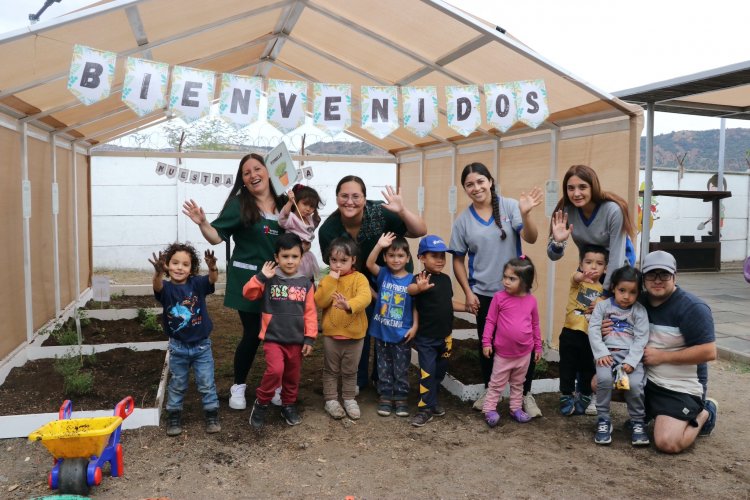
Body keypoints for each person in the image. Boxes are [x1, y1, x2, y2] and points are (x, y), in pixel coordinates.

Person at [182, 153, 286, 411]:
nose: (253, 175)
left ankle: (278, 386)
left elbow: (301, 234)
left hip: (280, 280)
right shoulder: (240, 204)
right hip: (248, 279)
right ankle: (238, 386)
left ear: (268, 171)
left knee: (281, 334)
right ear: (243, 179)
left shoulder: (286, 203)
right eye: (246, 172)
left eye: (257, 169)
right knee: (252, 334)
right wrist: (203, 222)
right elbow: (216, 238)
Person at [449, 162, 543, 416]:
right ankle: (491, 391)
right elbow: (457, 259)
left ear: (490, 181)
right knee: (488, 343)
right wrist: (468, 292)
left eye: (480, 181)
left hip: (517, 293)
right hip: (484, 293)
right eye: (469, 184)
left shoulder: (511, 206)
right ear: (465, 189)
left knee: (524, 340)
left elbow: (532, 238)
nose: (476, 187)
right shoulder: (463, 221)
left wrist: (526, 214)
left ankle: (525, 394)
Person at [318, 175, 427, 391]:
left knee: (387, 325)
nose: (350, 201)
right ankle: (357, 380)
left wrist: (402, 211)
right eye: (344, 196)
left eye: (356, 196)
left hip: (391, 277)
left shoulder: (381, 212)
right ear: (337, 197)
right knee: (359, 325)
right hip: (355, 281)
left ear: (365, 198)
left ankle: (382, 378)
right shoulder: (328, 230)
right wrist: (359, 286)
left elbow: (420, 231)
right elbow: (336, 264)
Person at [639, 251, 718, 453]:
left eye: (664, 275)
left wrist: (662, 356)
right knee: (598, 382)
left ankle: (705, 413)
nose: (657, 280)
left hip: (679, 386)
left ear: (675, 276)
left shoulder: (693, 308)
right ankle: (652, 412)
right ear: (643, 278)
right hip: (645, 379)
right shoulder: (638, 302)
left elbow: (709, 352)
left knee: (668, 443)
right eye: (651, 275)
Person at [242, 233, 317, 429]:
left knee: (292, 376)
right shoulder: (268, 279)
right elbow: (248, 294)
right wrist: (260, 277)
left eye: (294, 256)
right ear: (276, 258)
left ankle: (288, 405)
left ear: (301, 258)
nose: (290, 261)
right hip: (273, 338)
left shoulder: (306, 283)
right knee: (275, 371)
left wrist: (309, 338)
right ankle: (262, 402)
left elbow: (310, 313)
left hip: (297, 340)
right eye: (285, 256)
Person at [150, 243, 220, 437]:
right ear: (166, 265)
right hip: (178, 347)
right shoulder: (166, 289)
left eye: (185, 264)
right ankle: (173, 414)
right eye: (175, 263)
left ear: (191, 269)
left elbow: (212, 279)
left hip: (202, 346)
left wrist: (212, 267)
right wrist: (157, 273)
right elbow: (157, 286)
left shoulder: (197, 284)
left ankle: (211, 413)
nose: (180, 267)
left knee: (206, 381)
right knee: (178, 382)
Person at [407, 235, 467, 427]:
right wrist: (419, 287)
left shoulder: (447, 280)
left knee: (439, 372)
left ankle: (431, 402)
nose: (440, 259)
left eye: (442, 255)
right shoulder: (420, 279)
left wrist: (466, 307)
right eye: (434, 255)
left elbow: (448, 302)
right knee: (428, 372)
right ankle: (425, 409)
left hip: (445, 337)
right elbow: (410, 290)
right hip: (426, 339)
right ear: (421, 258)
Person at [548, 164, 636, 290]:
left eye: (582, 187)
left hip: (618, 273)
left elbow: (617, 259)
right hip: (589, 273)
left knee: (606, 309)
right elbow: (553, 256)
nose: (576, 193)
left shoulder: (613, 211)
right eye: (571, 188)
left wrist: (606, 294)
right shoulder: (566, 211)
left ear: (593, 187)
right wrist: (558, 242)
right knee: (580, 309)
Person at [588, 266, 650, 446]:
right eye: (622, 290)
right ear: (614, 287)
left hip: (631, 357)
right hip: (607, 355)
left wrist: (632, 360)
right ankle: (603, 420)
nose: (626, 296)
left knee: (636, 385)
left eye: (632, 292)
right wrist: (601, 352)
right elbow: (593, 330)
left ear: (638, 293)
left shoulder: (639, 311)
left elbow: (641, 338)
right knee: (604, 381)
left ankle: (638, 422)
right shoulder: (602, 306)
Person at [480, 256, 542, 426]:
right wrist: (486, 342)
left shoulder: (531, 301)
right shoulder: (499, 298)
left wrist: (538, 347)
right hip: (503, 354)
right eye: (505, 277)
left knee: (518, 384)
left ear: (525, 281)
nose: (506, 281)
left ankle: (515, 409)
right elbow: (490, 321)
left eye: (511, 278)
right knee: (496, 384)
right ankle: (489, 409)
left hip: (524, 353)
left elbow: (535, 324)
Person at [314, 238, 372, 420]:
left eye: (343, 261)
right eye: (333, 260)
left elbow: (365, 297)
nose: (338, 265)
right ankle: (331, 399)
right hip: (332, 335)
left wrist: (348, 305)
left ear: (353, 260)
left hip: (355, 335)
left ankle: (349, 398)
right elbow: (320, 301)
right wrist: (331, 280)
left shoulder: (359, 278)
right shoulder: (327, 280)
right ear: (329, 260)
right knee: (330, 369)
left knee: (350, 370)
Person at [366, 232, 417, 418]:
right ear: (386, 257)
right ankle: (386, 396)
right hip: (381, 331)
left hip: (403, 333)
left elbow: (416, 306)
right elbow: (369, 264)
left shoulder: (412, 280)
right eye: (392, 255)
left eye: (400, 256)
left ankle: (402, 398)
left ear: (407, 258)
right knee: (383, 366)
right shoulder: (383, 274)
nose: (396, 259)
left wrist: (415, 327)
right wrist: (379, 245)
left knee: (401, 367)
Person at [558, 245, 608, 417]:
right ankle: (566, 395)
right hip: (570, 332)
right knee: (567, 367)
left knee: (588, 368)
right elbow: (576, 276)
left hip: (590, 337)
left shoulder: (603, 292)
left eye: (599, 263)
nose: (593, 267)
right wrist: (581, 275)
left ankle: (585, 396)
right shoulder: (577, 281)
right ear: (581, 264)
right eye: (588, 262)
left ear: (606, 268)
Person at [279, 184, 322, 282]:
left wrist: (316, 213)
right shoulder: (291, 218)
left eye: (312, 206)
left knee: (307, 282)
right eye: (305, 204)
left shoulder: (309, 219)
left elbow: (312, 227)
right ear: (296, 202)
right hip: (293, 257)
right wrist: (290, 201)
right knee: (294, 282)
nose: (308, 209)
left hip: (306, 257)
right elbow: (282, 217)